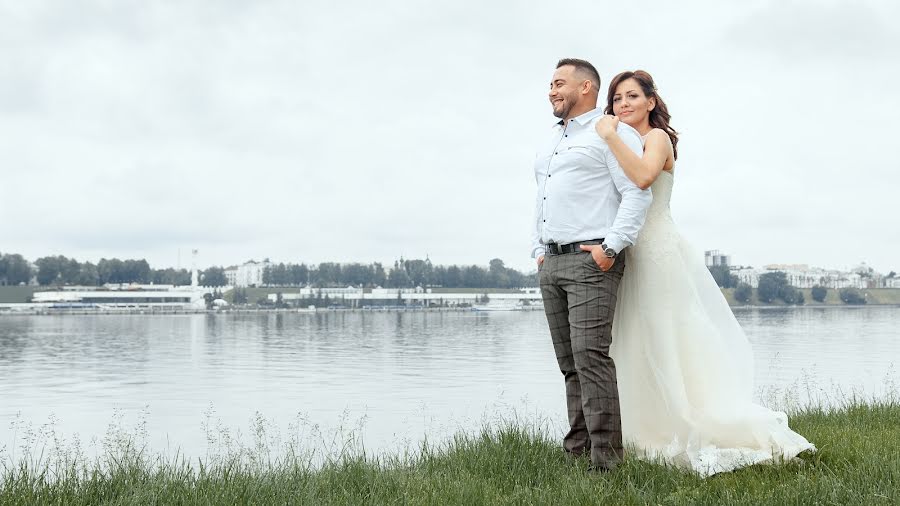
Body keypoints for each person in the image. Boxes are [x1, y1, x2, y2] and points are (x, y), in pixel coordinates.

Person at [593, 70, 815, 476]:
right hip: (629, 250)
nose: (622, 105)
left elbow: (643, 179)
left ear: (650, 102)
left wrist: (607, 135)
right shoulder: (621, 144)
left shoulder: (655, 140)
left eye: (631, 97)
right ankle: (643, 429)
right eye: (616, 99)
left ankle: (686, 421)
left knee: (664, 333)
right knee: (634, 338)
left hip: (657, 251)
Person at [531, 58, 652, 471]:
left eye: (559, 83)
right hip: (553, 262)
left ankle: (607, 463)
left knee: (590, 358)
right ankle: (577, 451)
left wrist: (610, 248)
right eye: (550, 83)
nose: (551, 90)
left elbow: (637, 193)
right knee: (569, 364)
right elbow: (543, 198)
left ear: (586, 88)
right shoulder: (550, 141)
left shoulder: (610, 133)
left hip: (591, 261)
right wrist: (538, 249)